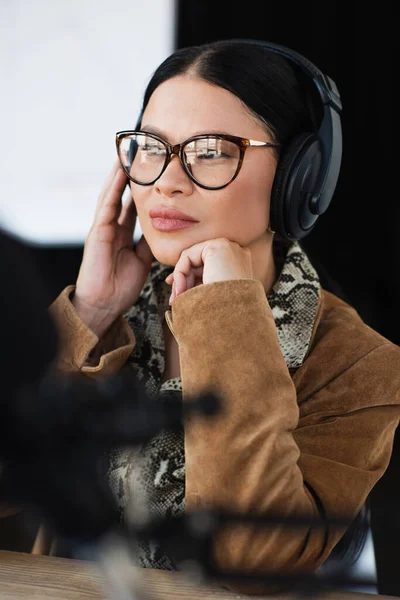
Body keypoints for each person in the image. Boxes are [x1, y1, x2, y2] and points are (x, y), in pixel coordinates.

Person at [16, 39, 400, 593]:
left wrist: (227, 318)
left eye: (212, 150)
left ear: (299, 177)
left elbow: (253, 560)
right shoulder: (100, 319)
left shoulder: (359, 365)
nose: (167, 180)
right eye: (151, 148)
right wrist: (91, 312)